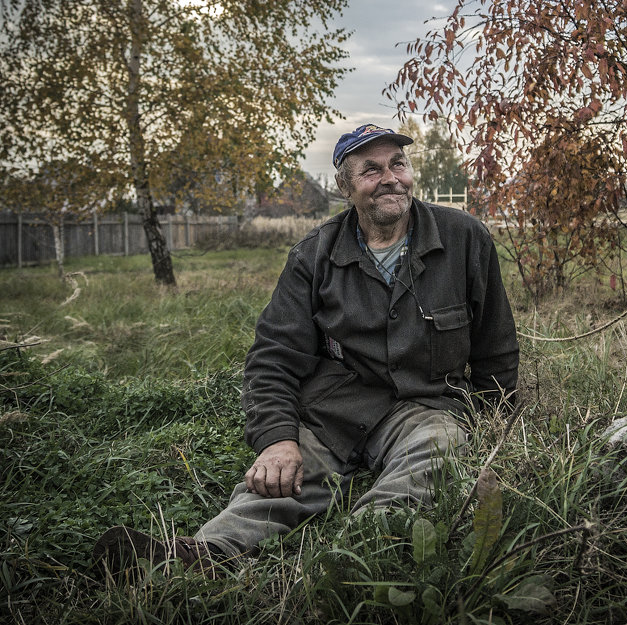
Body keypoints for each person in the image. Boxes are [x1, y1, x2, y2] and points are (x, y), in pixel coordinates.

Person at [94, 123, 519, 577]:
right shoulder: (312, 256)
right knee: (278, 481)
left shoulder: (465, 238)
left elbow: (496, 347)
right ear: (345, 187)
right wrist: (278, 439)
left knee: (438, 449)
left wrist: (493, 425)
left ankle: (354, 554)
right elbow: (272, 356)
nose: (391, 178)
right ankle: (202, 556)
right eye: (371, 170)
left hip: (427, 406)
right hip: (336, 409)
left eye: (399, 163)